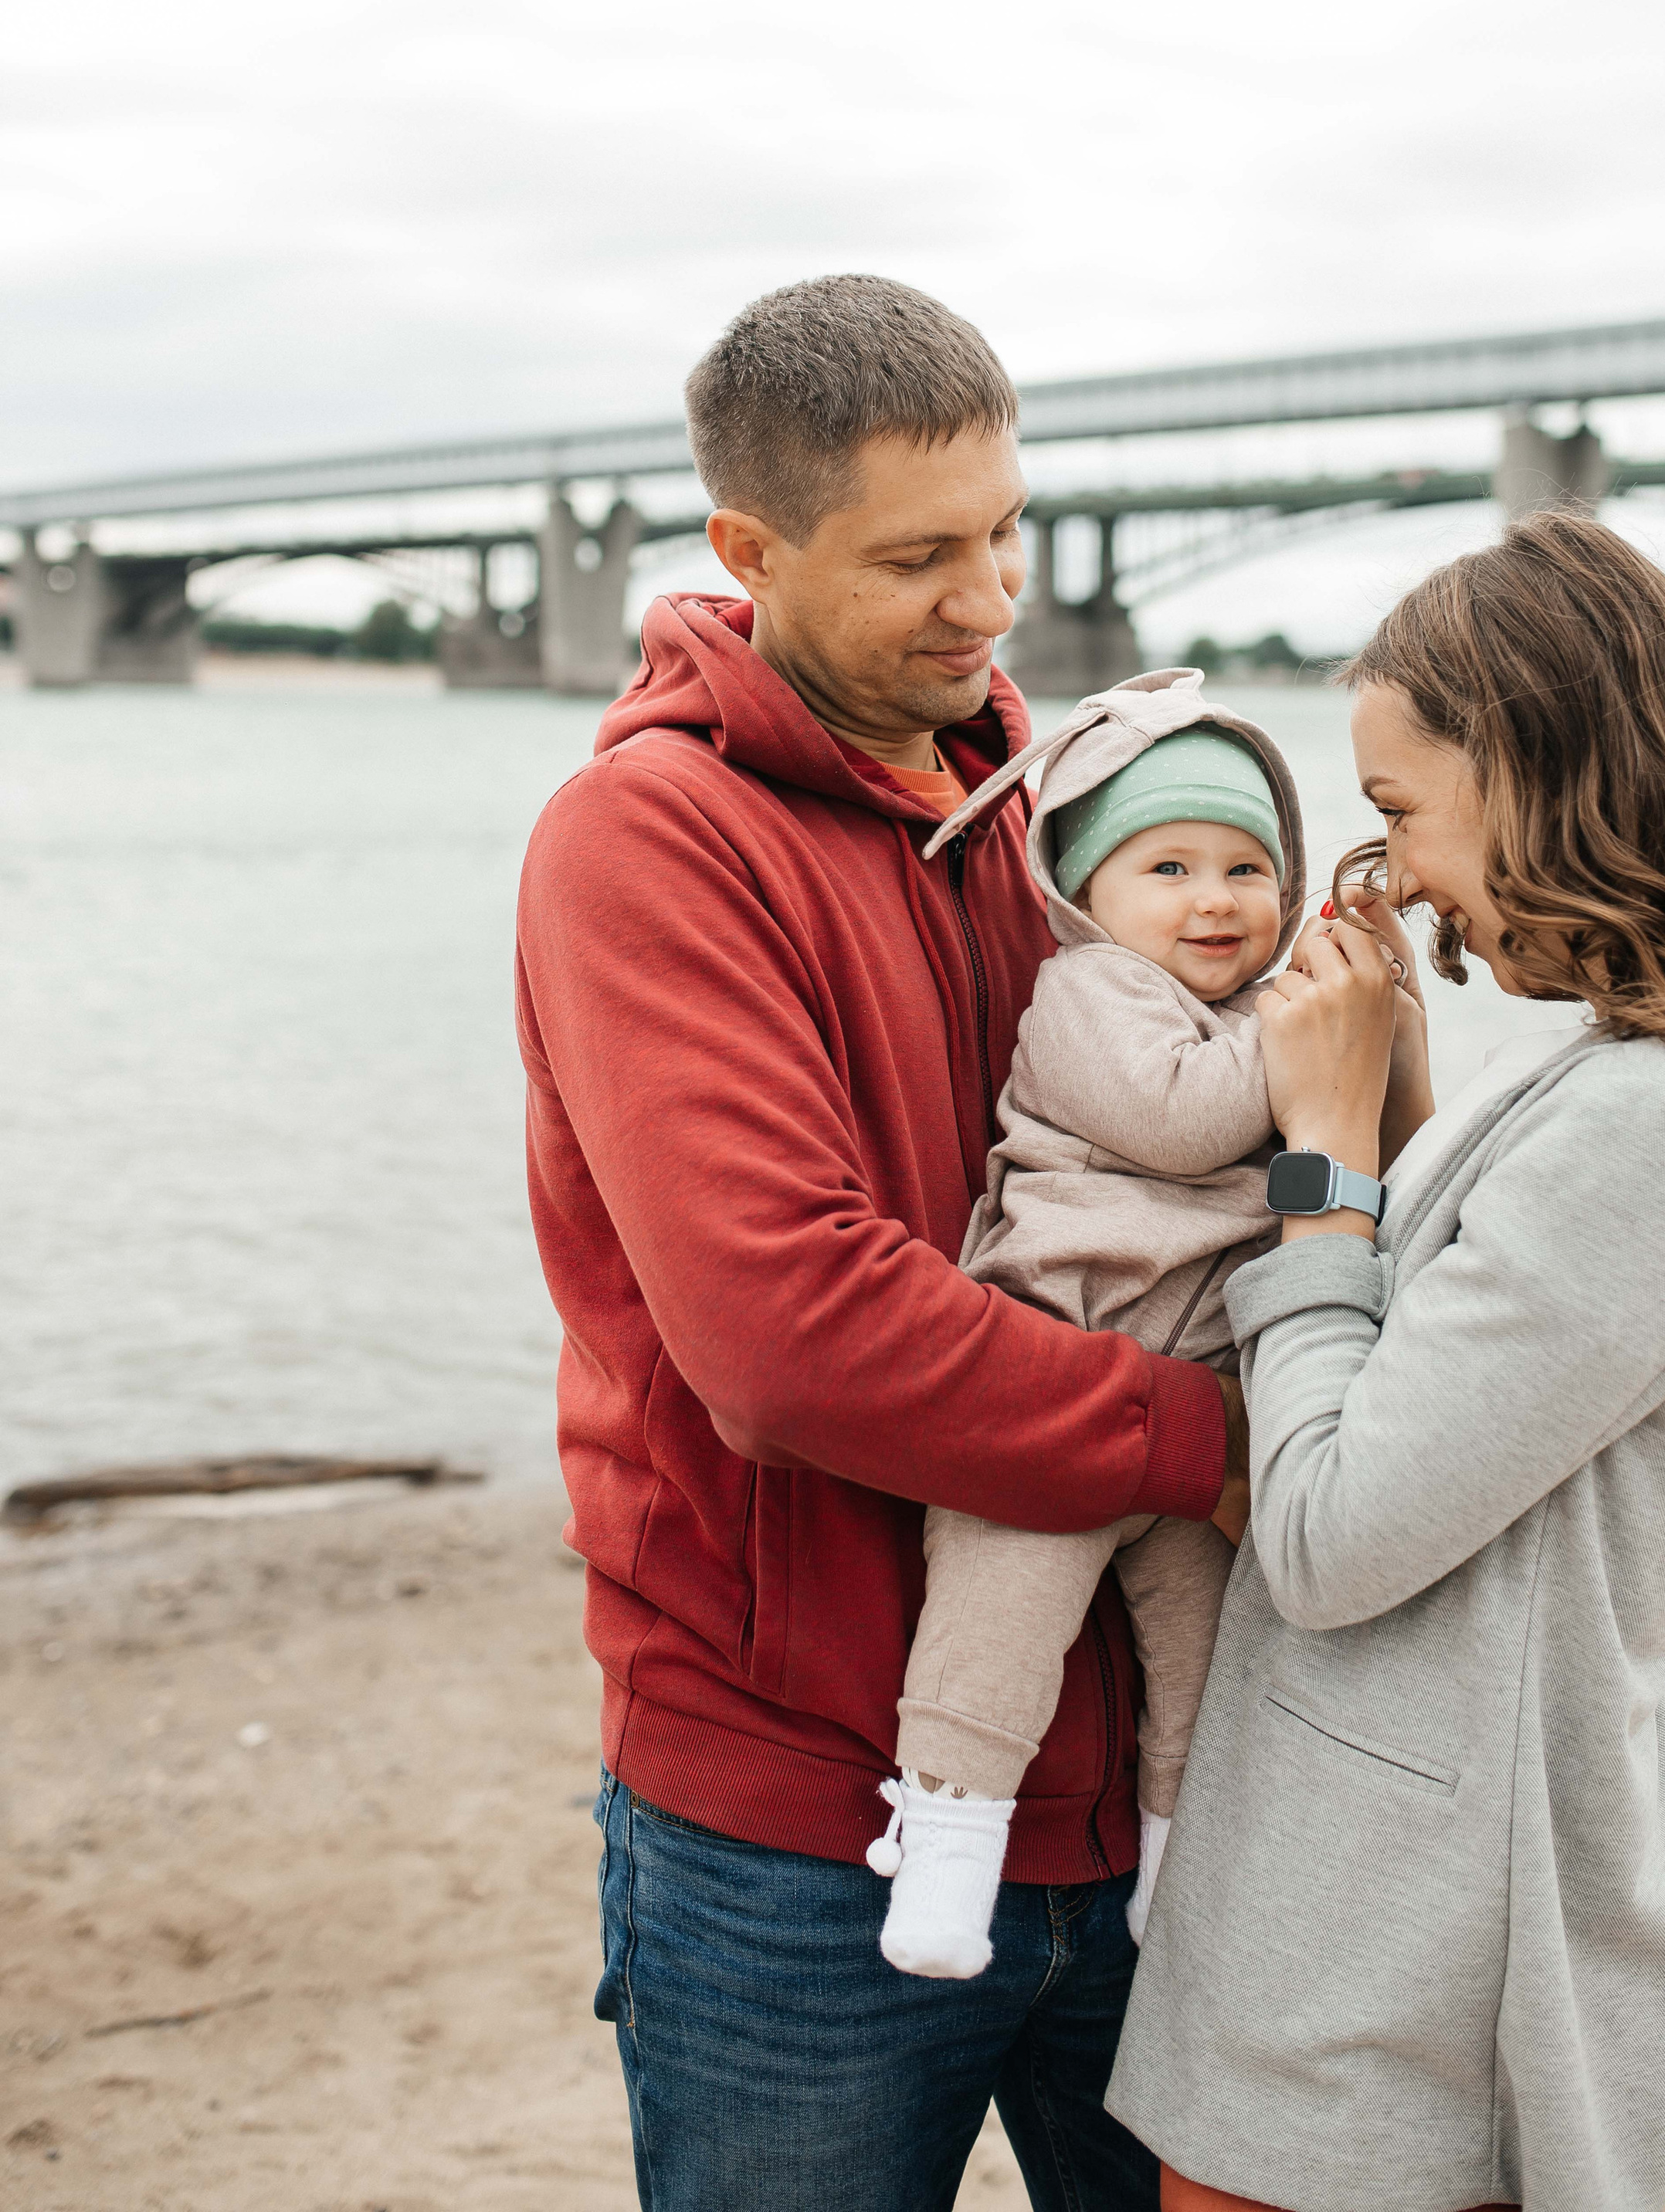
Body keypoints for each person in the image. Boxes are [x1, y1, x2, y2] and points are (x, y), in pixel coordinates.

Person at [514, 274, 1245, 2212]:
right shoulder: (649, 844)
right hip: (796, 1826)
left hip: (1156, 1793)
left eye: (1003, 528)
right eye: (919, 555)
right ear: (747, 551)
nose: (991, 596)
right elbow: (793, 1333)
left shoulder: (1063, 825)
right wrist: (1229, 1450)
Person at [1107, 512, 1665, 2212]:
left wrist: (1316, 1160)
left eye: (1394, 812)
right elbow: (1450, 1387)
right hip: (1400, 1904)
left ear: (1535, 773)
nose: (1384, 876)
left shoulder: (1664, 1132)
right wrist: (1390, 1087)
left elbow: (1326, 1539)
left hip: (1401, 1947)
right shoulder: (1648, 1079)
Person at [872, 679, 1306, 1981]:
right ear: (1082, 890)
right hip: (1060, 1376)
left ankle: (1175, 1871)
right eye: (1167, 865)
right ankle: (945, 1844)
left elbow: (1341, 1159)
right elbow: (1186, 1123)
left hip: (1189, 1402)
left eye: (1247, 867)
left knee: (1204, 1659)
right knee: (999, 1624)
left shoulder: (1247, 1012)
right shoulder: (1090, 992)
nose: (1214, 899)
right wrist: (1311, 1031)